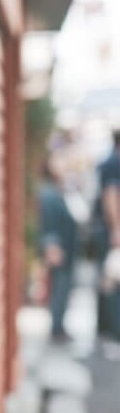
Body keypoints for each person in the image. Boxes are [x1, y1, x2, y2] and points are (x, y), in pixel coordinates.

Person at [37, 154, 78, 342]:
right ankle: (56, 328)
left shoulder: (59, 191)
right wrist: (51, 246)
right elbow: (48, 223)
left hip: (67, 249)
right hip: (59, 249)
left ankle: (59, 325)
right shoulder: (48, 193)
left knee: (64, 289)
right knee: (59, 290)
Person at [92, 129, 120, 340]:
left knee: (106, 277)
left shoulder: (108, 161)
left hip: (105, 229)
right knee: (111, 280)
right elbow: (110, 197)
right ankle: (111, 330)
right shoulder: (114, 163)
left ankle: (105, 329)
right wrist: (116, 228)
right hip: (110, 231)